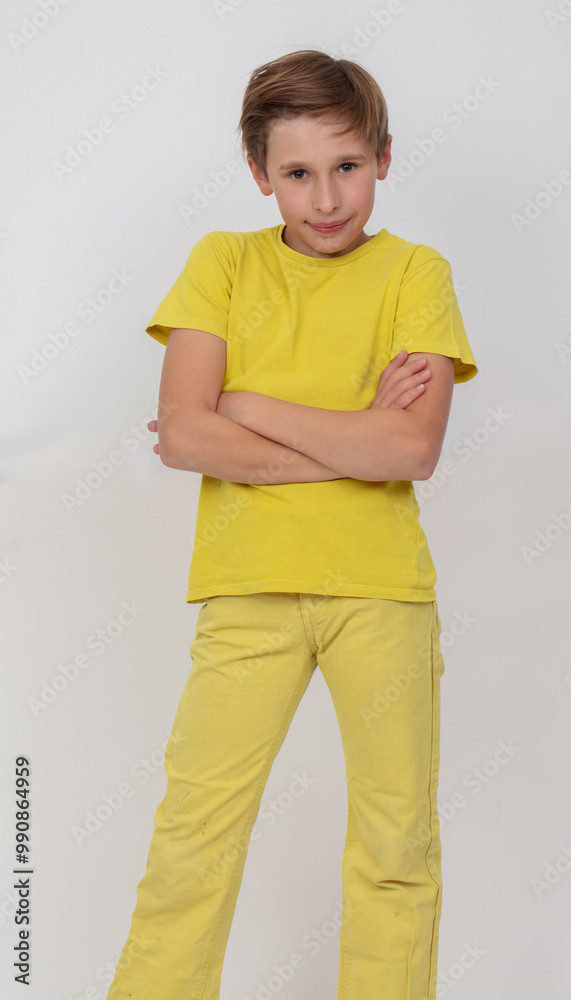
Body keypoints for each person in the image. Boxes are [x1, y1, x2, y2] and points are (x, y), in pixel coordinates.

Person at [105, 47, 478, 1000]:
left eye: (347, 167)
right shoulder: (222, 263)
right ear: (258, 174)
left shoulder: (415, 273)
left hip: (382, 593)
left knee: (396, 844)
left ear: (384, 158)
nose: (325, 199)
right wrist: (353, 439)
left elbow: (412, 452)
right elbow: (184, 435)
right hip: (249, 591)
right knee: (193, 838)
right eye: (297, 173)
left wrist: (252, 403)